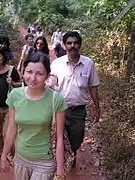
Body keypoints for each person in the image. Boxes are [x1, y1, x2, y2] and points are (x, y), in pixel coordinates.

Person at [1, 52, 67, 180]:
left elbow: (59, 136)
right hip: (20, 158)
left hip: (44, 161)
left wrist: (60, 169)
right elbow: (12, 127)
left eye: (39, 74)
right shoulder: (15, 95)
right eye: (29, 72)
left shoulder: (56, 99)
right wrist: (4, 154)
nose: (33, 78)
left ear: (47, 75)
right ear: (23, 72)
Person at [48, 31, 100, 168]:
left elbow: (93, 87)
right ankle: (61, 162)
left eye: (75, 43)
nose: (72, 46)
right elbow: (51, 84)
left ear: (80, 45)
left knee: (77, 139)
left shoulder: (88, 63)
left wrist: (97, 108)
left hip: (78, 110)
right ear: (64, 46)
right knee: (58, 137)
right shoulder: (57, 64)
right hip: (59, 109)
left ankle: (72, 154)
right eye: (69, 43)